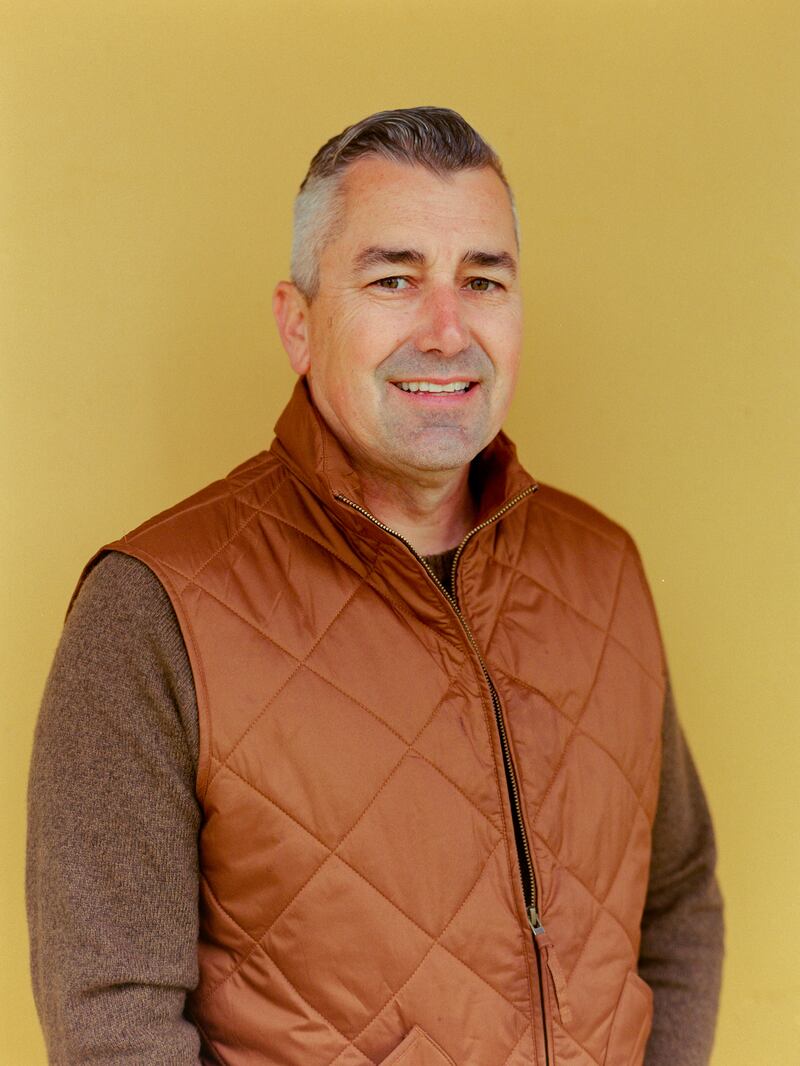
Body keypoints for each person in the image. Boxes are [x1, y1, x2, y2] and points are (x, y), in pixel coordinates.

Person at [27, 107, 723, 1066]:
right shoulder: (153, 609)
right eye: (394, 279)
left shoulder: (603, 571)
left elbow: (677, 897)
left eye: (483, 280)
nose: (447, 330)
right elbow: (110, 1015)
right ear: (299, 323)